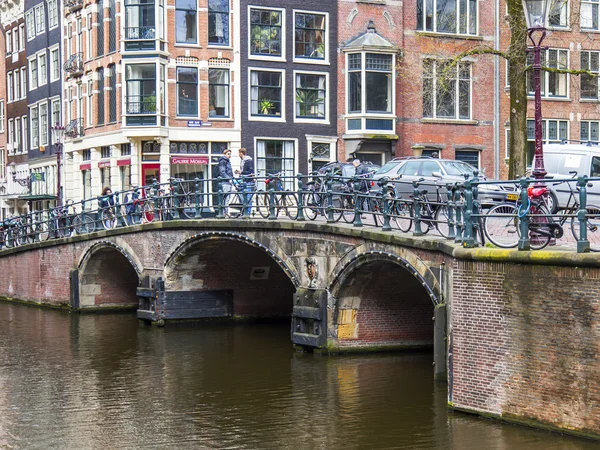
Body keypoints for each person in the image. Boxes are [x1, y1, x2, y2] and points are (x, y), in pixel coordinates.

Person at [236, 148, 255, 215]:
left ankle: (248, 213)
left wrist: (241, 172)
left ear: (241, 153)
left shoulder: (248, 161)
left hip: (248, 181)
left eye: (239, 153)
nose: (238, 155)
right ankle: (244, 211)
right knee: (240, 194)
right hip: (243, 180)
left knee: (248, 197)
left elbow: (250, 171)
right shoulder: (242, 160)